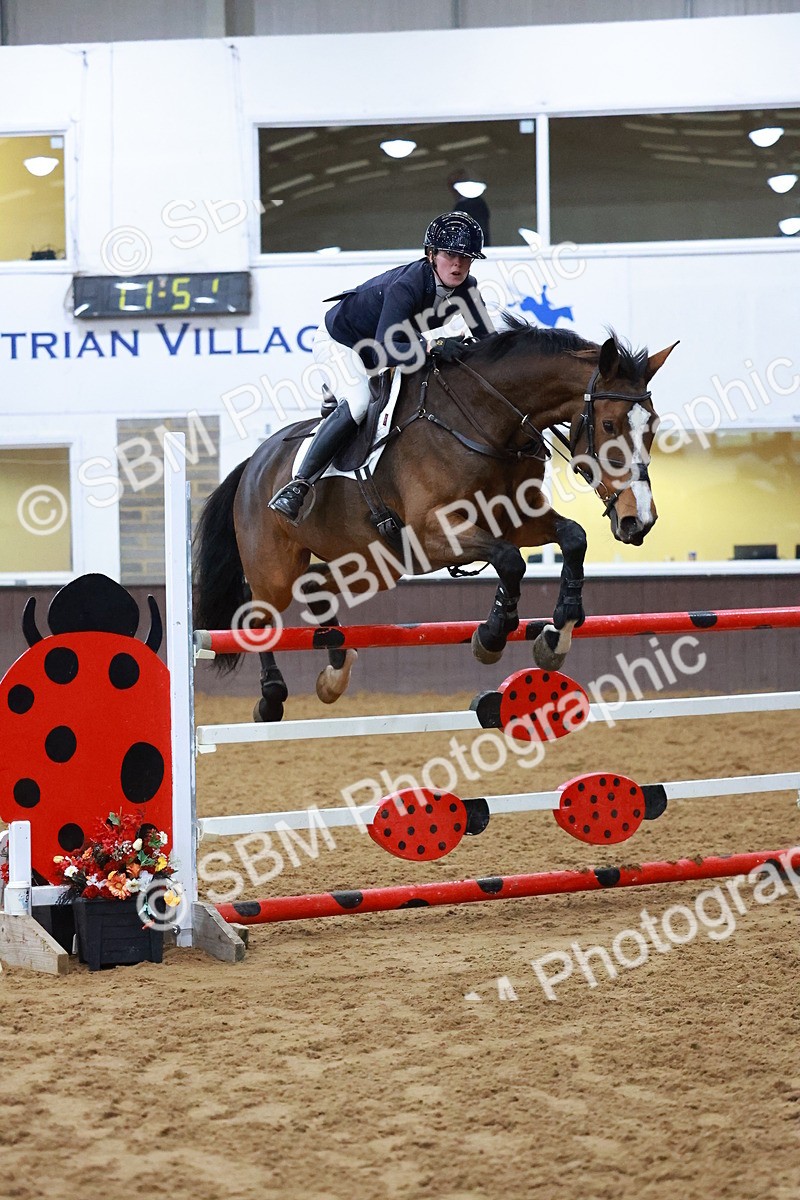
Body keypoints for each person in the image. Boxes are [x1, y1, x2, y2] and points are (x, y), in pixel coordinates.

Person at [268, 211, 495, 524]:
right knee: (360, 402)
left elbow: (490, 343)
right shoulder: (408, 285)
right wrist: (432, 346)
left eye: (466, 258)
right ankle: (298, 485)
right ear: (432, 255)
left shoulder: (467, 288)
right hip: (344, 343)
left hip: (389, 342)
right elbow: (387, 347)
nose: (457, 265)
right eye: (450, 255)